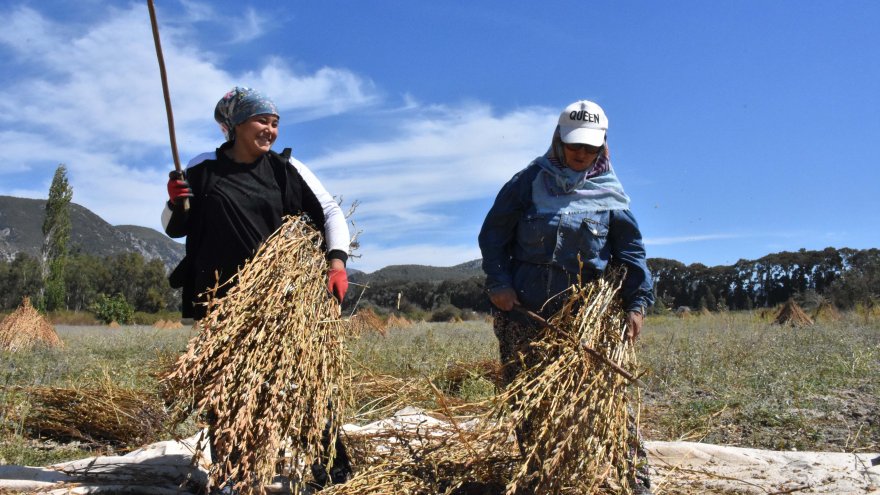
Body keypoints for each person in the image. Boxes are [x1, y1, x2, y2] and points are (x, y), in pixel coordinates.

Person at [160, 86, 352, 488]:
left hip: (281, 300)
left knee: (303, 383)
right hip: (222, 302)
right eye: (262, 120)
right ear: (235, 126)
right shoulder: (203, 167)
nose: (270, 129)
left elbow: (330, 211)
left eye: (275, 122)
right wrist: (176, 200)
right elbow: (174, 226)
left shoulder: (285, 170)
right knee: (228, 389)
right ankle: (235, 476)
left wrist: (336, 261)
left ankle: (333, 474)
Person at [478, 100, 654, 494]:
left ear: (602, 146)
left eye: (590, 147)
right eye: (574, 145)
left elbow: (630, 254)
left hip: (585, 321)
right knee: (529, 400)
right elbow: (493, 236)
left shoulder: (610, 194)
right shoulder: (528, 182)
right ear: (558, 140)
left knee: (604, 400)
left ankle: (632, 482)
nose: (580, 154)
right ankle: (543, 478)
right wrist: (499, 284)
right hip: (524, 317)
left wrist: (636, 303)